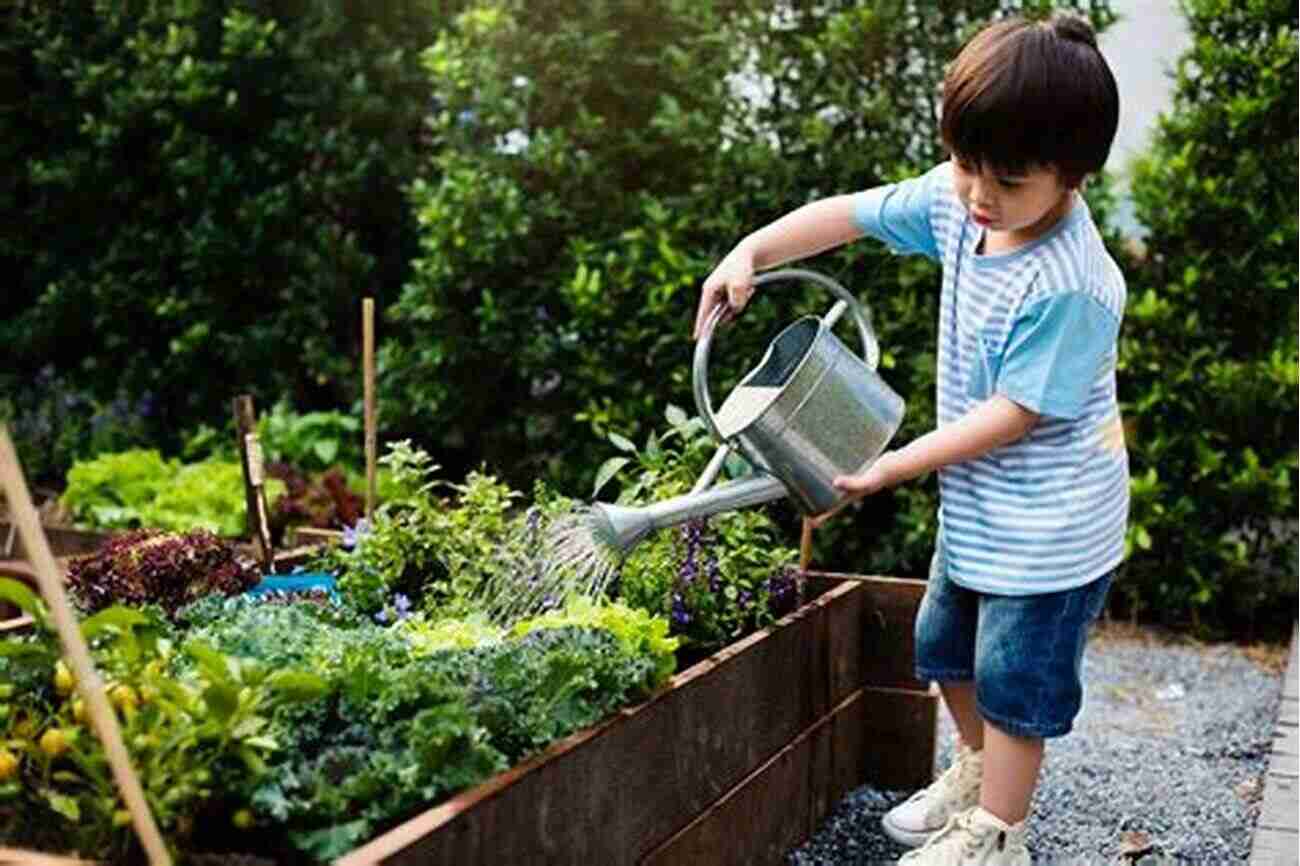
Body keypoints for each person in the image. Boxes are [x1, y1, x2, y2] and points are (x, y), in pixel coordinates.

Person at [692, 13, 1127, 866]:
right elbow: (847, 216)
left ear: (1072, 177)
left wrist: (894, 463)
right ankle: (977, 773)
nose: (977, 195)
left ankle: (1001, 835)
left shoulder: (1073, 283)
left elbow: (1017, 414)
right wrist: (751, 251)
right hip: (979, 508)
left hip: (1052, 531)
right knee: (942, 646)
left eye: (1006, 180)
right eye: (967, 165)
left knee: (1013, 687)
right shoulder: (961, 203)